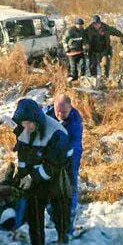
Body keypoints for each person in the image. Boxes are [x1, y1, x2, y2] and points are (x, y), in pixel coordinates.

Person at [11, 98, 73, 245]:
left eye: (30, 123)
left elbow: (54, 165)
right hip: (36, 174)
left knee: (60, 208)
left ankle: (64, 237)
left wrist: (32, 177)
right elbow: (23, 157)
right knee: (34, 216)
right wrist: (22, 175)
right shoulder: (22, 130)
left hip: (57, 173)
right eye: (24, 124)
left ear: (37, 120)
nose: (27, 127)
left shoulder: (55, 134)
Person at [43, 94, 83, 235]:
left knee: (69, 190)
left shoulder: (75, 121)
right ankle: (54, 218)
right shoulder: (46, 113)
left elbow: (75, 145)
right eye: (57, 111)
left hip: (69, 158)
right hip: (49, 158)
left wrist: (66, 160)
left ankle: (68, 224)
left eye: (63, 112)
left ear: (70, 108)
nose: (60, 115)